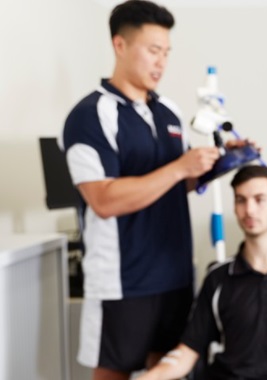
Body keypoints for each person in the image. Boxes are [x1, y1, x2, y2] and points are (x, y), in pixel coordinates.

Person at [61, 1, 250, 379]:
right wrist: (180, 166)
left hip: (175, 272)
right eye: (152, 50)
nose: (161, 62)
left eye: (166, 52)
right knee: (113, 371)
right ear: (120, 45)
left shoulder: (168, 111)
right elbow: (103, 200)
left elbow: (178, 183)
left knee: (166, 371)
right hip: (123, 279)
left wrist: (223, 162)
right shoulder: (90, 115)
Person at [137, 164, 267, 380]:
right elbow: (187, 352)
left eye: (259, 199)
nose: (250, 210)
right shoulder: (218, 278)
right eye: (241, 200)